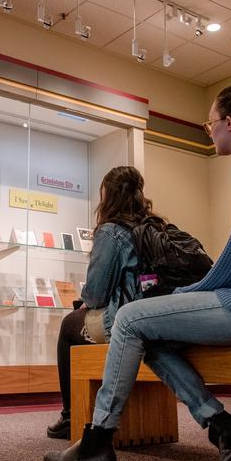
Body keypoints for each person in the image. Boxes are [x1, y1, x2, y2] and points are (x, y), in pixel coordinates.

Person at [43, 70, 231, 461]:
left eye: (210, 123)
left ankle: (98, 442)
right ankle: (224, 427)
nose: (208, 131)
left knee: (132, 317)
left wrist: (186, 294)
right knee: (143, 327)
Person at [46, 166, 150, 439]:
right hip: (152, 314)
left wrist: (84, 302)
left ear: (108, 195)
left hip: (122, 319)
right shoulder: (151, 225)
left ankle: (69, 415)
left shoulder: (111, 231)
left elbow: (96, 294)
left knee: (69, 325)